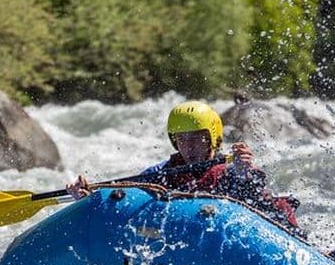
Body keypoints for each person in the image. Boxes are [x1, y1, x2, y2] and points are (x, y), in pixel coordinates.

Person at [66, 101, 303, 236]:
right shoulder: (161, 172)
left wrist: (244, 172)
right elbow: (124, 194)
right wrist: (88, 197)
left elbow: (256, 198)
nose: (188, 146)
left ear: (212, 139)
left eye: (196, 138)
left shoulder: (232, 168)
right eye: (182, 139)